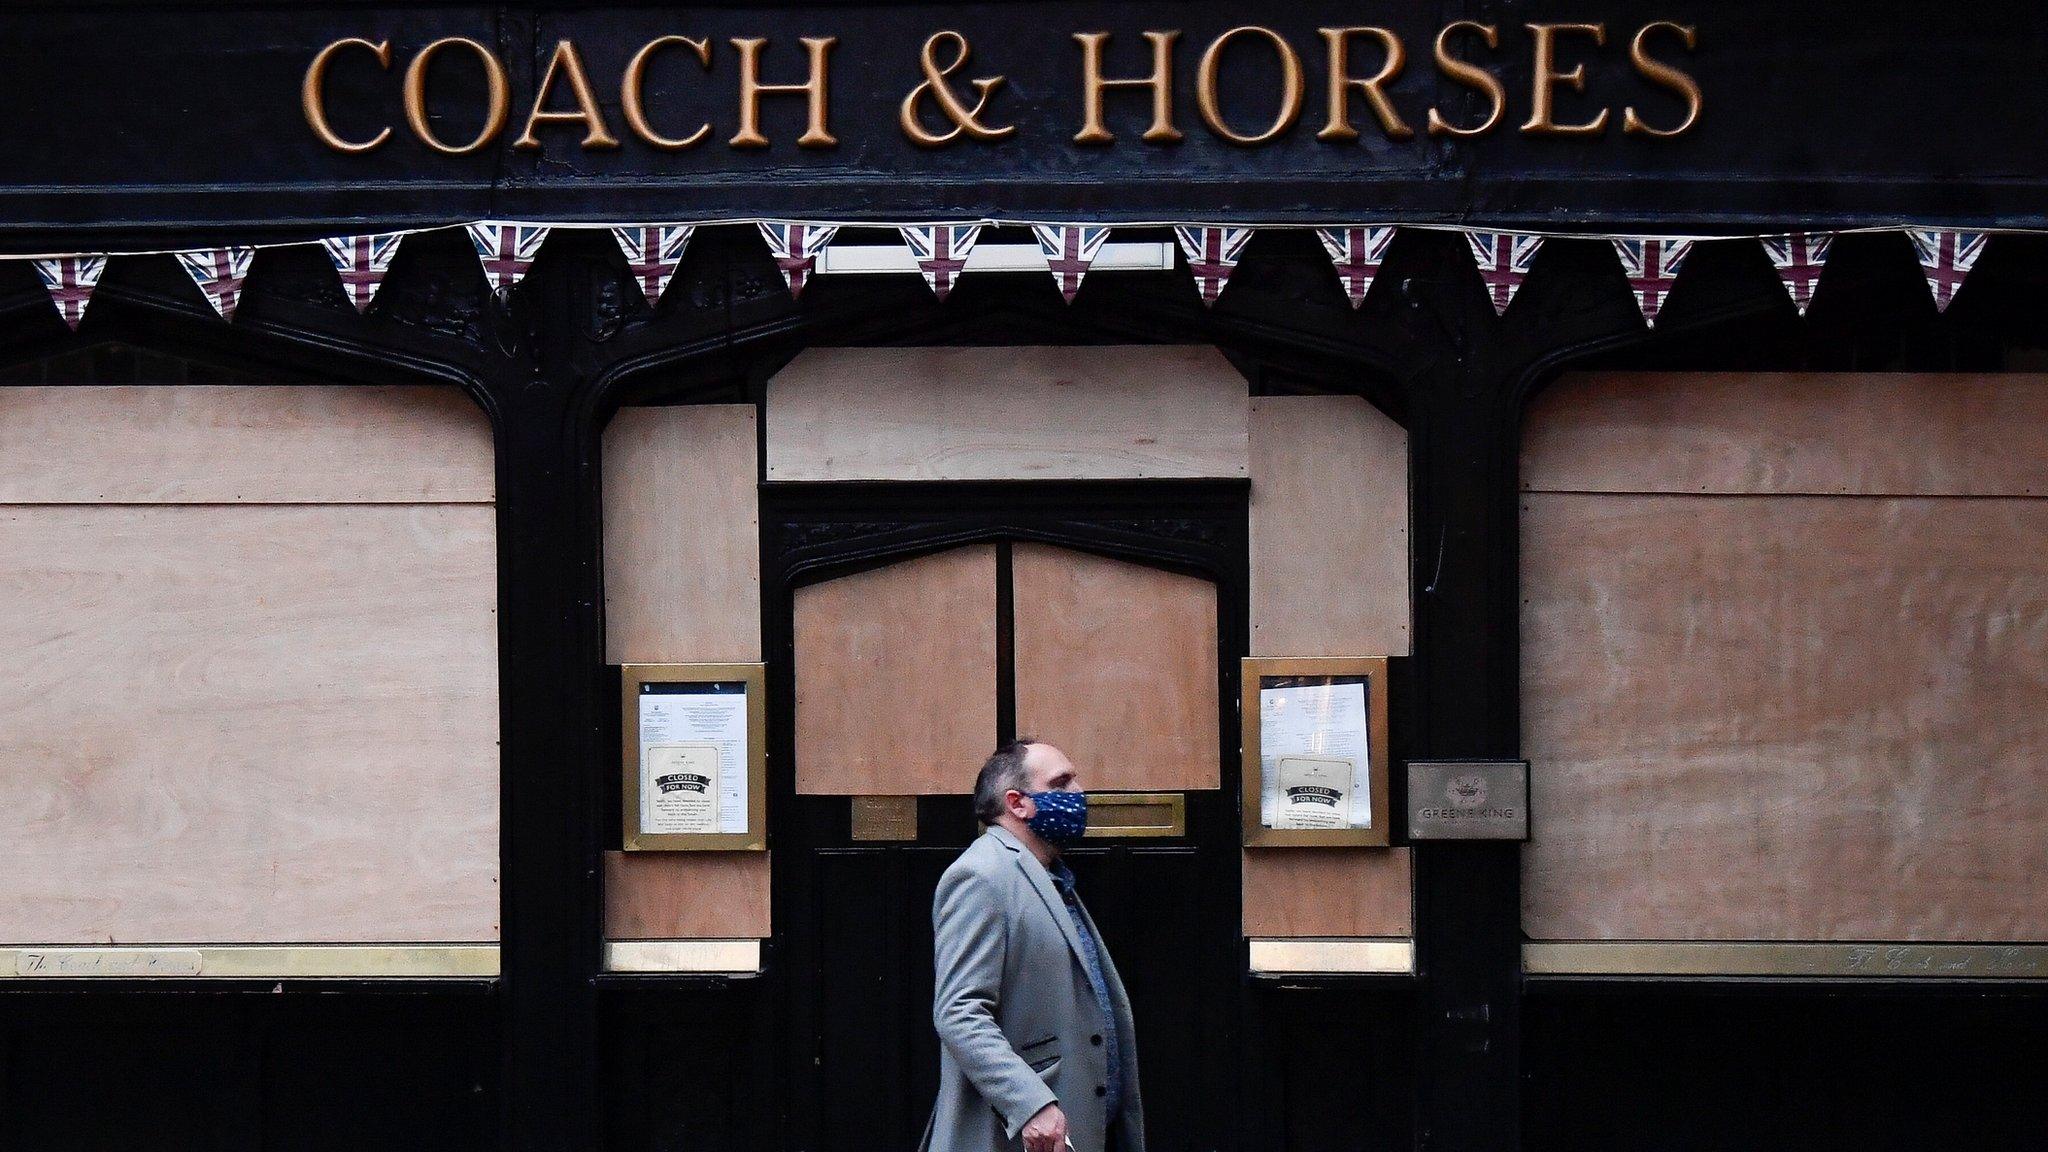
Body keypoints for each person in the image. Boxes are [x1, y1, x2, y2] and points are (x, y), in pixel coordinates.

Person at [918, 738, 1146, 1152]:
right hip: (1020, 1134)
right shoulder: (981, 876)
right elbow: (959, 1012)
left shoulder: (1049, 876)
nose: (1078, 795)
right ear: (1017, 803)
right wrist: (1030, 1103)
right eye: (1061, 784)